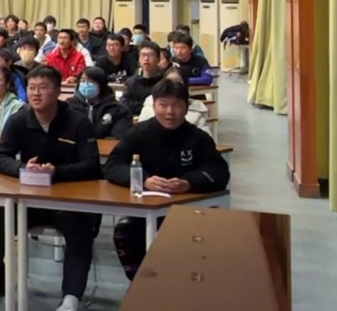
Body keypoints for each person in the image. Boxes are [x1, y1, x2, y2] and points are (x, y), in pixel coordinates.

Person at [0, 66, 100, 311]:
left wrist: (57, 172)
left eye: (43, 88)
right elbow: (0, 158)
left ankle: (71, 298)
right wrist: (22, 168)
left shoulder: (77, 121)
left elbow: (92, 165)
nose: (36, 93)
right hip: (30, 200)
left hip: (68, 201)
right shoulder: (19, 119)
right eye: (32, 88)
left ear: (57, 91)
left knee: (80, 229)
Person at [105, 78, 230, 280]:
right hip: (145, 209)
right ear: (154, 106)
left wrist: (189, 183)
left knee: (191, 243)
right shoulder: (138, 133)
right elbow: (113, 166)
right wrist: (143, 180)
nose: (170, 112)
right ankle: (143, 285)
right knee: (125, 232)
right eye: (163, 105)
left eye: (176, 105)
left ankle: (180, 286)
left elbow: (219, 172)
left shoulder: (198, 138)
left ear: (186, 107)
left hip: (188, 209)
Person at [137, 69, 213, 134]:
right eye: (169, 82)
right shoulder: (149, 106)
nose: (173, 87)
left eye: (178, 82)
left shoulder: (197, 111)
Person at [68, 66, 133, 139]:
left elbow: (119, 137)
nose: (86, 84)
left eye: (91, 82)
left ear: (102, 85)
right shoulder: (69, 106)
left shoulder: (119, 110)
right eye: (83, 81)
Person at [122, 41, 166, 115]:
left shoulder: (165, 82)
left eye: (150, 55)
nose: (146, 58)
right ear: (139, 59)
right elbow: (125, 104)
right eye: (143, 55)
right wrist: (147, 106)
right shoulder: (131, 83)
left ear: (158, 59)